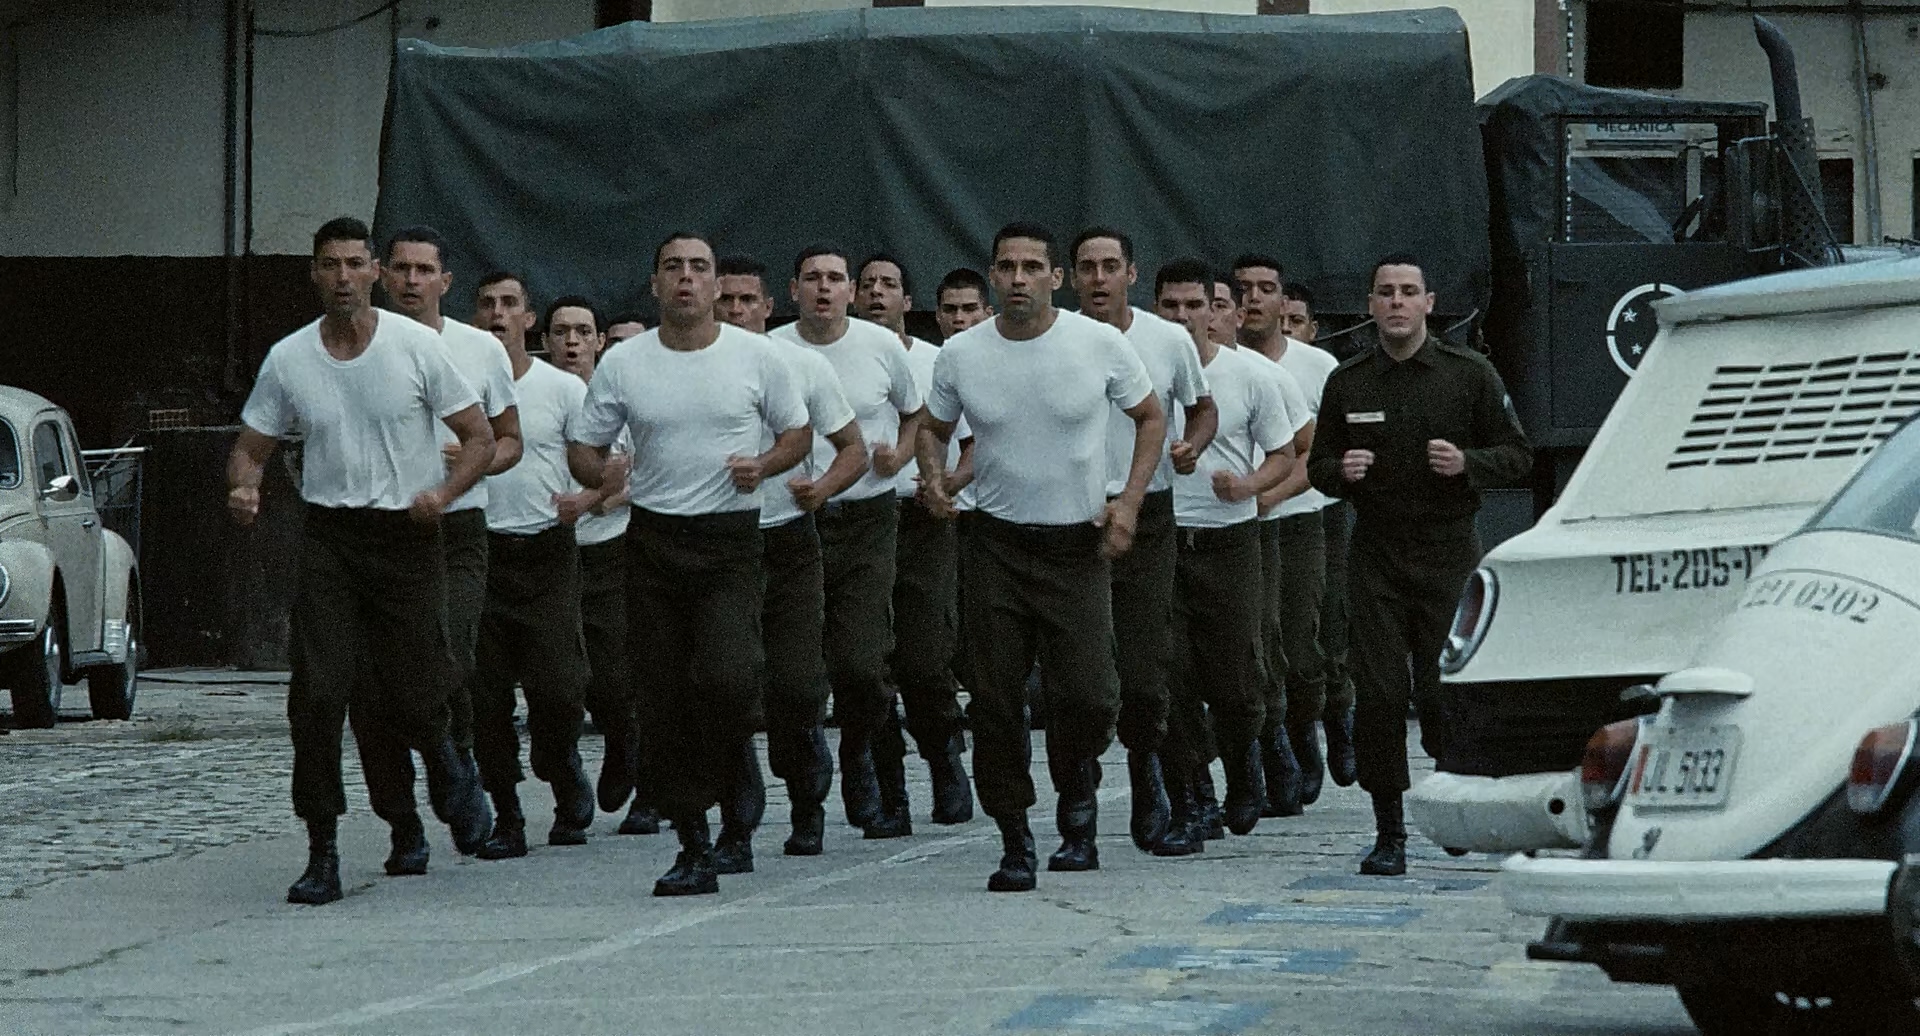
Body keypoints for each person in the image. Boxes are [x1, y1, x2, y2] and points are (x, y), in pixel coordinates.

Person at [227, 216, 494, 904]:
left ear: (374, 271)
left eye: (355, 263)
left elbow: (480, 437)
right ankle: (323, 850)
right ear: (314, 274)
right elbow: (251, 445)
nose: (343, 277)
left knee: (416, 691)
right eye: (330, 265)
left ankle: (448, 765)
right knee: (318, 697)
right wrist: (244, 486)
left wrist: (444, 493)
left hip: (407, 533)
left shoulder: (416, 347)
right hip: (332, 538)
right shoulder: (290, 357)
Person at [917, 222, 1163, 892]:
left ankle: (1077, 806)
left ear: (1056, 277)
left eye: (1032, 267)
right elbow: (931, 428)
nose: (1018, 279)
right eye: (1007, 267)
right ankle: (1015, 837)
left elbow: (1150, 417)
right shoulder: (962, 354)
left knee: (1088, 696)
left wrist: (1129, 501)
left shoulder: (1098, 344)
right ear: (992, 276)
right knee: (995, 700)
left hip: (1076, 545)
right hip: (996, 544)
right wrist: (934, 479)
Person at [568, 231, 811, 897]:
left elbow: (797, 433)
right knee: (665, 695)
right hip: (653, 541)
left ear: (715, 284)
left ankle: (737, 788)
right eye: (672, 267)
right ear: (654, 284)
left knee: (729, 678)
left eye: (698, 268)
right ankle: (695, 843)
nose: (686, 278)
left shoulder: (756, 357)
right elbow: (585, 448)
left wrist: (764, 464)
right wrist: (597, 471)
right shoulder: (625, 363)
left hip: (729, 539)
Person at [1306, 253, 1532, 876]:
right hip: (1376, 555)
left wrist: (1467, 463)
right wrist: (1340, 472)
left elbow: (1518, 455)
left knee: (1442, 695)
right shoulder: (1349, 382)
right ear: (1370, 306)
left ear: (1429, 303)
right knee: (1380, 697)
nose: (1397, 302)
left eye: (1409, 291)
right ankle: (1390, 833)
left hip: (1448, 552)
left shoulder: (1469, 374)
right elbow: (1317, 466)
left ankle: (1452, 803)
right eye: (1386, 292)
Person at [347, 230, 519, 869]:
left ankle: (455, 760)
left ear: (446, 281)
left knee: (443, 656)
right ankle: (402, 822)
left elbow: (509, 440)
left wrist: (465, 468)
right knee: (370, 688)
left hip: (455, 529)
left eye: (425, 270)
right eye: (401, 269)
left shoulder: (478, 349)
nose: (412, 281)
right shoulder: (347, 347)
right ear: (380, 275)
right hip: (375, 530)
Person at [1069, 227, 1215, 855]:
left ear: (1131, 274)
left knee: (1150, 665)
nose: (1099, 278)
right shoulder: (1057, 339)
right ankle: (1079, 808)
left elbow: (1201, 407)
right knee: (1079, 672)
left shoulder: (1167, 339)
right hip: (1068, 516)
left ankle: (1167, 784)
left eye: (1111, 266)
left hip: (1147, 513)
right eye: (1087, 268)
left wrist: (1192, 446)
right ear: (1071, 278)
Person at [716, 254, 867, 865]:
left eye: (746, 300)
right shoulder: (682, 367)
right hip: (714, 545)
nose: (735, 311)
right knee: (725, 684)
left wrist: (822, 488)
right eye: (725, 300)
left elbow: (852, 449)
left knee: (797, 686)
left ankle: (807, 800)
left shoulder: (801, 365)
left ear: (768, 306)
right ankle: (736, 819)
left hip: (788, 541)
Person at [773, 246, 925, 838]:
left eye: (835, 279)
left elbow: (917, 415)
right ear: (793, 290)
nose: (824, 288)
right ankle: (805, 799)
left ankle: (866, 756)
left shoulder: (881, 346)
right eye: (812, 278)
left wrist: (900, 456)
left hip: (865, 520)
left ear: (852, 293)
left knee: (862, 663)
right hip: (791, 525)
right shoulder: (773, 352)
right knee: (794, 676)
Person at [1154, 259, 1300, 851]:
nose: (1185, 317)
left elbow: (1285, 454)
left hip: (1230, 541)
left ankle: (1243, 767)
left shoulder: (1249, 376)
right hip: (1161, 540)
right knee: (1170, 678)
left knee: (1238, 682)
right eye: (1171, 306)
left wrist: (1248, 487)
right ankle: (1193, 802)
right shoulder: (1138, 370)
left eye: (1198, 305)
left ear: (1220, 311)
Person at [468, 296, 606, 859]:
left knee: (559, 686)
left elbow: (602, 466)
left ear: (529, 321)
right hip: (479, 551)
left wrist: (588, 499)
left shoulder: (563, 389)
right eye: (487, 305)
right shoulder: (458, 386)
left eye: (510, 304)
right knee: (484, 695)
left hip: (547, 550)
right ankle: (506, 812)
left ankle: (561, 762)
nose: (498, 315)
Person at [857, 252, 973, 826]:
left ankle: (944, 758)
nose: (877, 293)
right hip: (854, 522)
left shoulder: (937, 361)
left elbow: (971, 442)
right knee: (866, 660)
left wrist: (945, 483)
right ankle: (889, 786)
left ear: (908, 301)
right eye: (868, 284)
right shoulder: (833, 359)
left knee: (925, 655)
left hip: (922, 519)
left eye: (889, 284)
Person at [1235, 256, 1343, 812]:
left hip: (1301, 518)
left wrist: (1268, 495)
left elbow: (1319, 453)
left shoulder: (1316, 367)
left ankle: (1312, 730)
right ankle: (1272, 757)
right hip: (1234, 527)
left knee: (1300, 644)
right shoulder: (1213, 363)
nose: (1254, 298)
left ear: (1283, 301)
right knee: (1254, 647)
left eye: (1266, 289)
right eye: (1243, 289)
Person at [546, 299, 657, 835]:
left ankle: (630, 751)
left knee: (616, 673)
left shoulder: (620, 401)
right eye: (562, 332)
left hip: (611, 550)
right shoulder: (533, 396)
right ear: (545, 340)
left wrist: (595, 500)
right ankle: (565, 783)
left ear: (599, 343)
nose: (572, 342)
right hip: (545, 552)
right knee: (558, 680)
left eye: (583, 333)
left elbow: (641, 474)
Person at [1281, 280, 1358, 789]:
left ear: (1312, 328)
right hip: (1260, 518)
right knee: (1286, 639)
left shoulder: (1320, 368)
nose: (1287, 328)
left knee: (1328, 625)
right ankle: (1299, 736)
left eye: (1296, 321)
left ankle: (1340, 721)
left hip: (1318, 511)